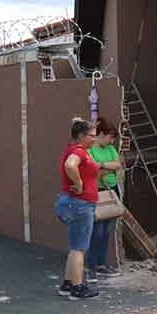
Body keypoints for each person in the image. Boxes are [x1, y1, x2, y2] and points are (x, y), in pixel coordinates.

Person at [55, 118, 100, 300]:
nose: (94, 139)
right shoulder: (78, 152)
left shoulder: (74, 150)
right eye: (92, 136)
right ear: (81, 136)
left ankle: (67, 283)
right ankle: (77, 287)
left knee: (75, 246)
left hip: (74, 203)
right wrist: (79, 183)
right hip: (79, 204)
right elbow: (70, 165)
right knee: (79, 248)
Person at [86, 117, 122, 283]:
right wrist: (106, 167)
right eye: (110, 137)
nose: (112, 141)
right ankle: (91, 265)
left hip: (112, 191)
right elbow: (92, 172)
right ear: (101, 134)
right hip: (97, 191)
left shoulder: (110, 149)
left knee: (107, 230)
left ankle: (102, 264)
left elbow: (118, 165)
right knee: (97, 230)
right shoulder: (89, 150)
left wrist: (102, 165)